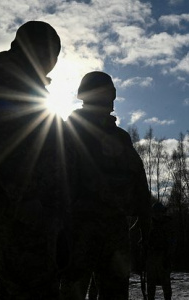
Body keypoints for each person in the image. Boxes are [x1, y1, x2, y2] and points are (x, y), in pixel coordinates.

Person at [0, 21, 68, 299]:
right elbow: (2, 147)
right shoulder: (3, 82)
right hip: (16, 206)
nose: (53, 63)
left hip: (33, 207)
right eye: (51, 54)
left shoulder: (30, 88)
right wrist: (27, 201)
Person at [60, 71, 151, 300]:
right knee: (75, 290)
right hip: (80, 228)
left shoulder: (120, 137)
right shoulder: (70, 131)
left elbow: (138, 182)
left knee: (112, 292)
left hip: (110, 230)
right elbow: (58, 181)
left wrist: (146, 226)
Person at [146, 202, 173, 300]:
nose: (158, 214)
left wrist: (168, 256)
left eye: (160, 212)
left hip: (163, 257)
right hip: (151, 258)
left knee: (166, 285)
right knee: (150, 285)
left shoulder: (168, 225)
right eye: (156, 212)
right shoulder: (149, 225)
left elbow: (172, 242)